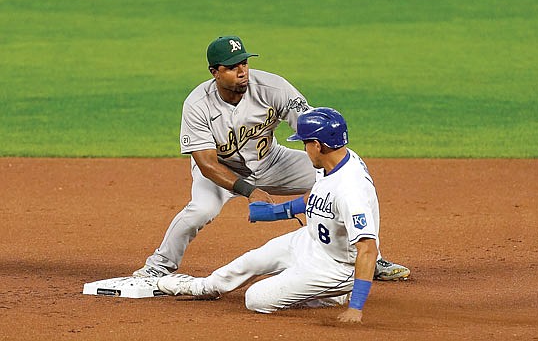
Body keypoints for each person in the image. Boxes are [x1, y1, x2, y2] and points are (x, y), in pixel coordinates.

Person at [133, 35, 409, 281]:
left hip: (273, 161)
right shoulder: (197, 105)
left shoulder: (273, 88)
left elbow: (312, 129)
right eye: (232, 67)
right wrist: (249, 191)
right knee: (200, 210)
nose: (242, 71)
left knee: (351, 181)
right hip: (222, 171)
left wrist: (329, 175)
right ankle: (159, 265)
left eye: (244, 63)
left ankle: (371, 257)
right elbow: (206, 163)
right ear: (214, 72)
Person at [157, 107, 382, 323]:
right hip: (310, 241)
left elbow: (368, 249)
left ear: (317, 145)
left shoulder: (351, 191)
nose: (304, 149)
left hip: (337, 266)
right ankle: (203, 287)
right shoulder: (334, 160)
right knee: (250, 261)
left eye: (305, 143)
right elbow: (317, 195)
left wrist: (356, 309)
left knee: (256, 299)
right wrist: (274, 213)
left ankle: (332, 295)